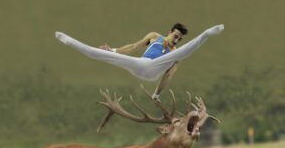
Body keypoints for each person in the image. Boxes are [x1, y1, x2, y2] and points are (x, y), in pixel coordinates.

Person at [55, 23, 224, 100]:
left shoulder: (174, 54)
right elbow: (133, 47)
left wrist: (157, 94)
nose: (176, 40)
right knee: (99, 53)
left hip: (154, 72)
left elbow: (167, 77)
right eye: (175, 36)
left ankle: (207, 33)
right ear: (169, 32)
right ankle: (70, 42)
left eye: (179, 39)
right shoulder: (154, 37)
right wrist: (113, 50)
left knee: (180, 54)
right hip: (140, 65)